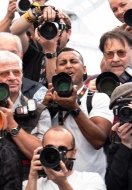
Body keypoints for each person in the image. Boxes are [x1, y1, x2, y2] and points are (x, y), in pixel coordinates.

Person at [40, 48, 112, 176]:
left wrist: (74, 108)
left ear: (84, 69)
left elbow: (98, 141)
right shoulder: (49, 100)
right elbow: (36, 138)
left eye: (73, 61)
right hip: (53, 177)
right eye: (62, 63)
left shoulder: (98, 99)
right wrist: (44, 106)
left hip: (89, 181)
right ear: (56, 72)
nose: (68, 66)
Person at [19, 125, 108, 190]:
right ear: (41, 151)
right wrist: (33, 176)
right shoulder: (30, 185)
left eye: (62, 149)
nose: (55, 154)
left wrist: (62, 183)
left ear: (73, 153)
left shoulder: (92, 179)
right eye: (50, 149)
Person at [0, 50, 50, 171]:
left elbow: (42, 154)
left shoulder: (39, 111)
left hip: (25, 180)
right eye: (4, 74)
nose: (12, 77)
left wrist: (12, 125)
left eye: (16, 72)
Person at [0, 32, 47, 101]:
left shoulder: (37, 92)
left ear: (21, 55)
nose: (8, 56)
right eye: (2, 53)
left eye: (12, 52)